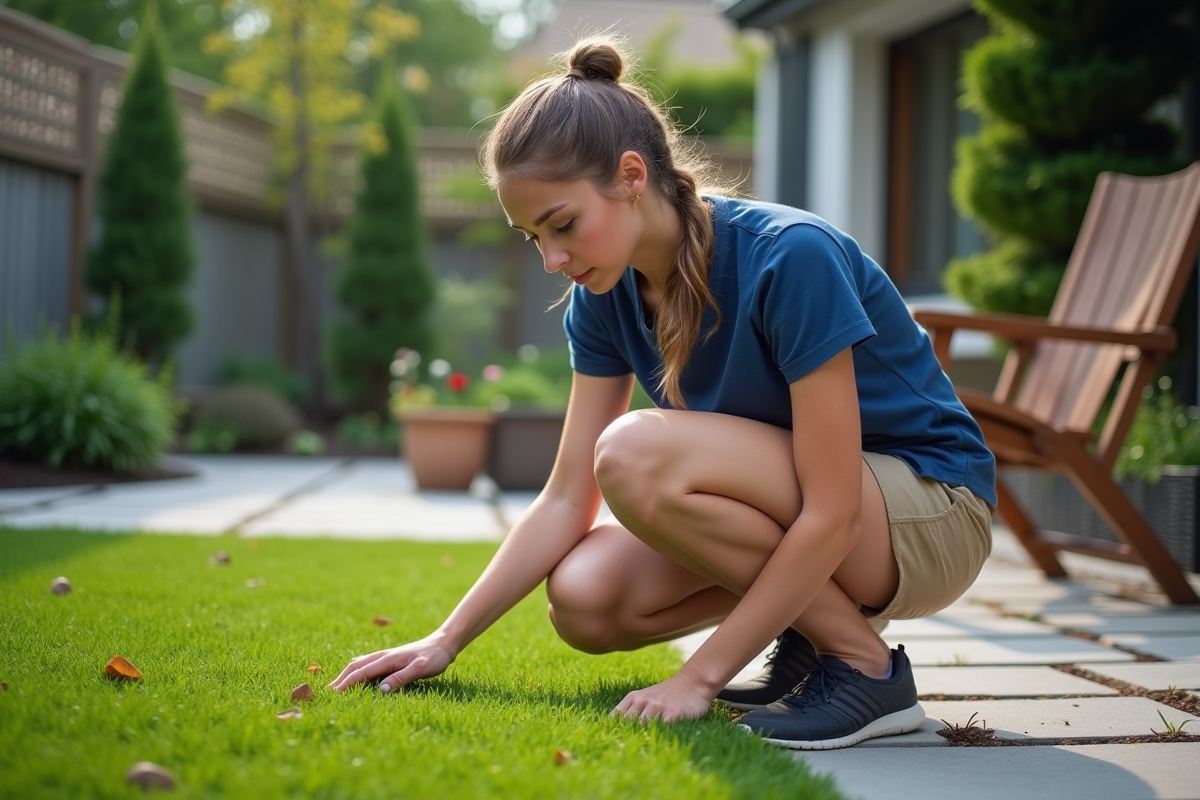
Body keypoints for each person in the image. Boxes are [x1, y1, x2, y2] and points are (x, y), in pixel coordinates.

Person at [331, 37, 996, 751]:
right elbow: (566, 497)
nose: (552, 259)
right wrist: (445, 639)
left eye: (562, 224)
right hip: (824, 510)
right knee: (586, 599)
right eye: (532, 238)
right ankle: (814, 636)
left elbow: (832, 513)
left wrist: (698, 679)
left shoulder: (789, 257)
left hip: (931, 512)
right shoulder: (604, 296)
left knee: (635, 452)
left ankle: (865, 667)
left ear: (630, 176)